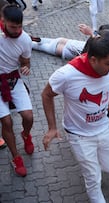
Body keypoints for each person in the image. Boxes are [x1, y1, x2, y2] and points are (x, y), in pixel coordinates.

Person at [41, 30, 109, 203]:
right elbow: (46, 94)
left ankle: (91, 165)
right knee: (93, 178)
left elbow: (107, 95)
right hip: (79, 135)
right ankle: (90, 173)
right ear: (93, 59)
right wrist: (52, 127)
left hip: (103, 128)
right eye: (108, 63)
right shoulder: (66, 75)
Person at [0, 4, 34, 177]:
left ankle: (26, 134)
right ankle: (16, 157)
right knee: (6, 122)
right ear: (3, 21)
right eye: (13, 27)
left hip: (13, 80)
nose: (17, 30)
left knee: (28, 116)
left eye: (20, 26)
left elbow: (25, 62)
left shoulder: (25, 39)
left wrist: (26, 68)